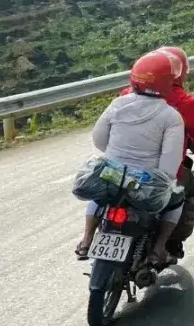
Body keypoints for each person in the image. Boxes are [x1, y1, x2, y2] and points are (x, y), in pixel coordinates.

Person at [76, 51, 186, 266]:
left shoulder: (118, 104)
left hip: (112, 174)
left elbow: (99, 140)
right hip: (144, 183)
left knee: (99, 196)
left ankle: (87, 239)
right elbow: (169, 165)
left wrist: (118, 159)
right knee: (177, 201)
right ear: (168, 82)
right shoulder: (171, 116)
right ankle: (158, 249)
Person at [118, 46, 194, 259]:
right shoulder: (183, 102)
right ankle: (170, 241)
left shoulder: (126, 95)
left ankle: (89, 239)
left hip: (122, 166)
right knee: (189, 185)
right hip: (162, 172)